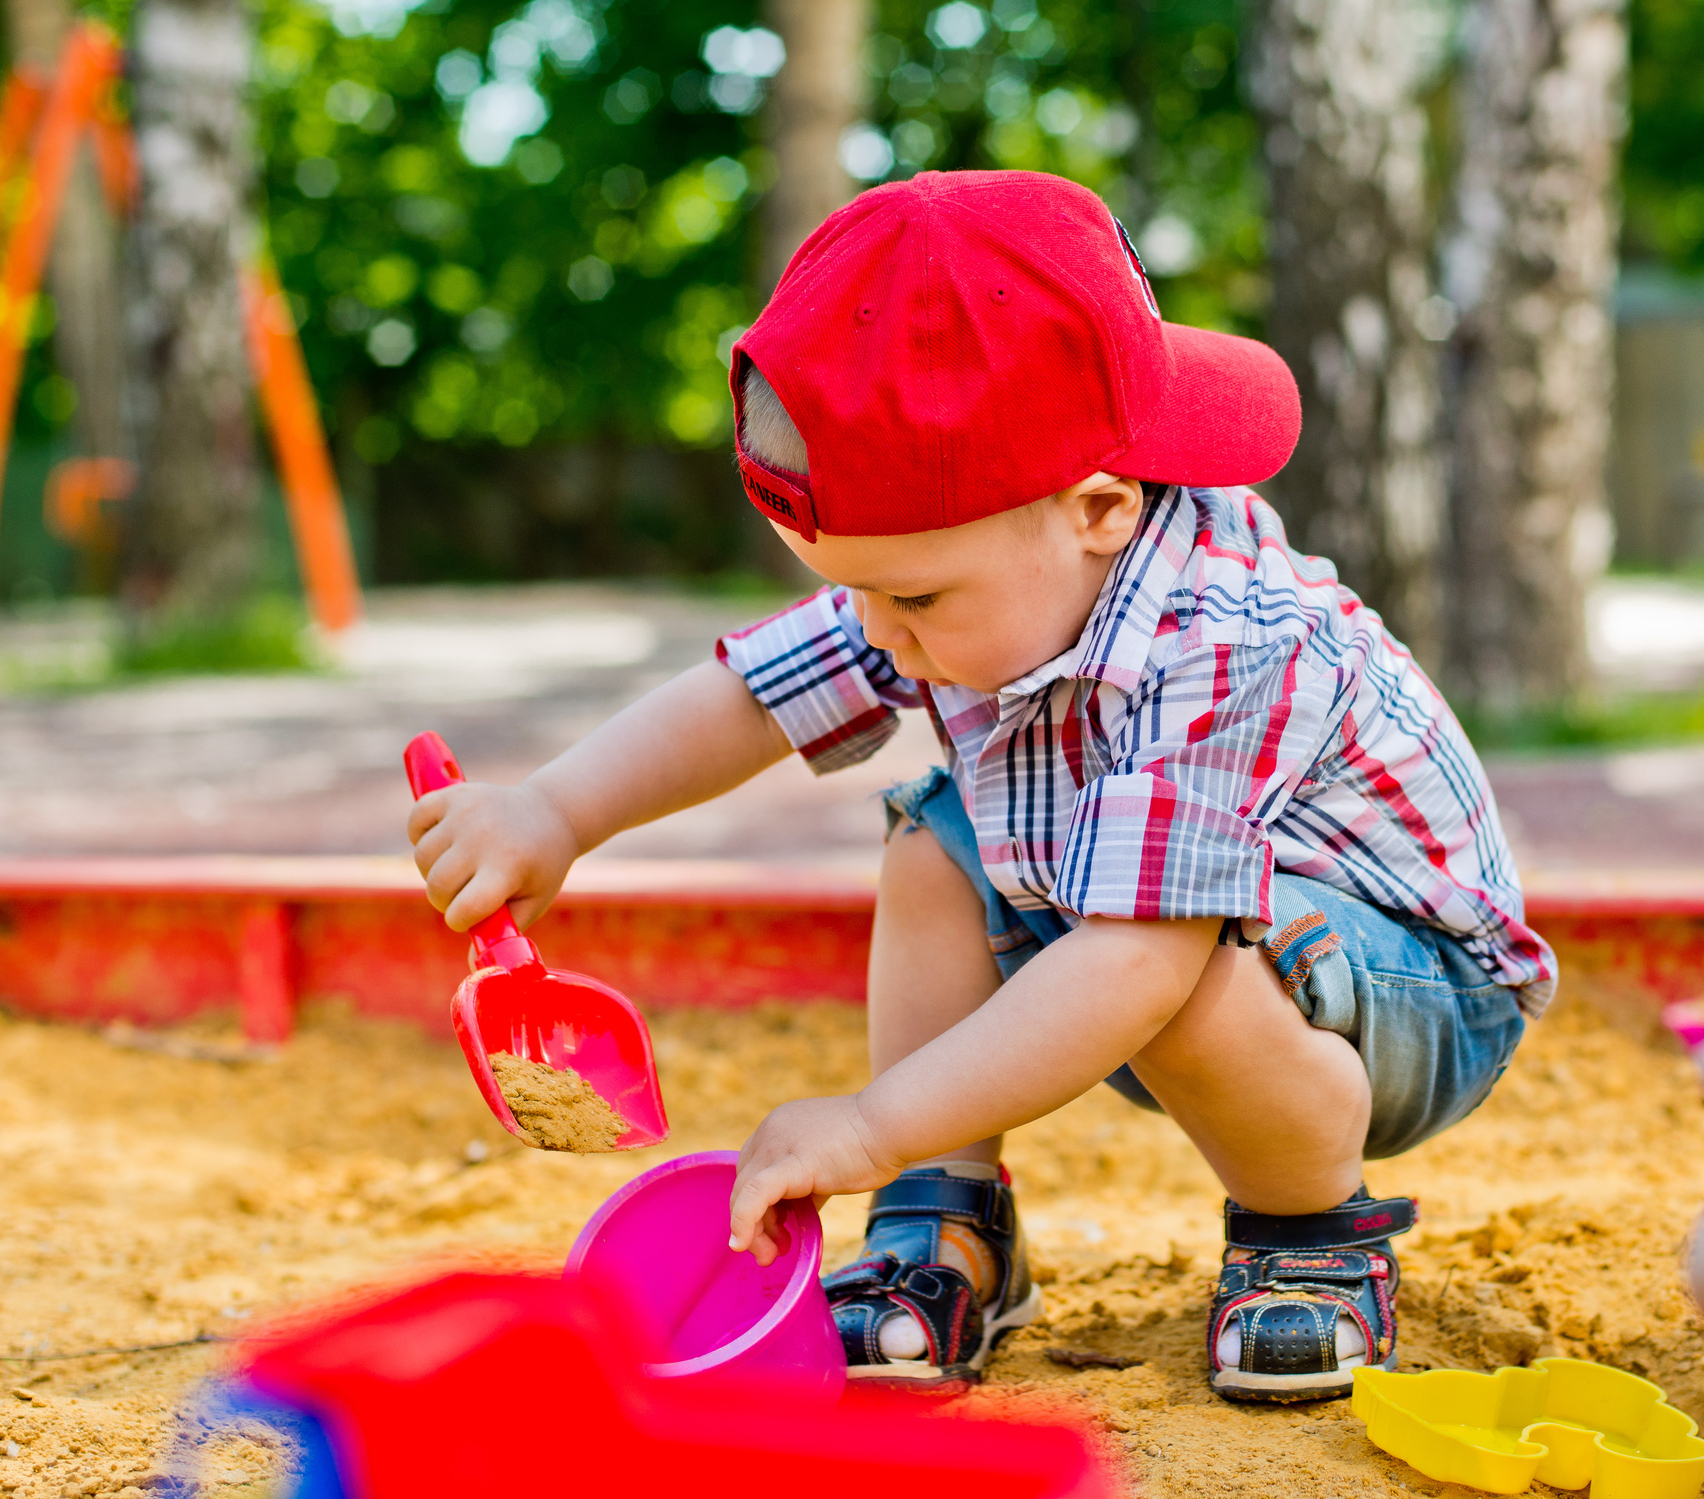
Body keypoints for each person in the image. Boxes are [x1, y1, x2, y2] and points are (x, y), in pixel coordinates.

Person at [406, 171, 1552, 1403]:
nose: (879, 635)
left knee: (1177, 943)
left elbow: (1134, 960)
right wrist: (557, 809)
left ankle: (1307, 1235)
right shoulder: (963, 558)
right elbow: (754, 694)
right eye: (851, 591)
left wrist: (866, 1119)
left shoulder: (1231, 639)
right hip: (1140, 933)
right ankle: (942, 1225)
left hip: (1407, 991)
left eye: (910, 601)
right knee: (933, 836)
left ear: (1099, 508)